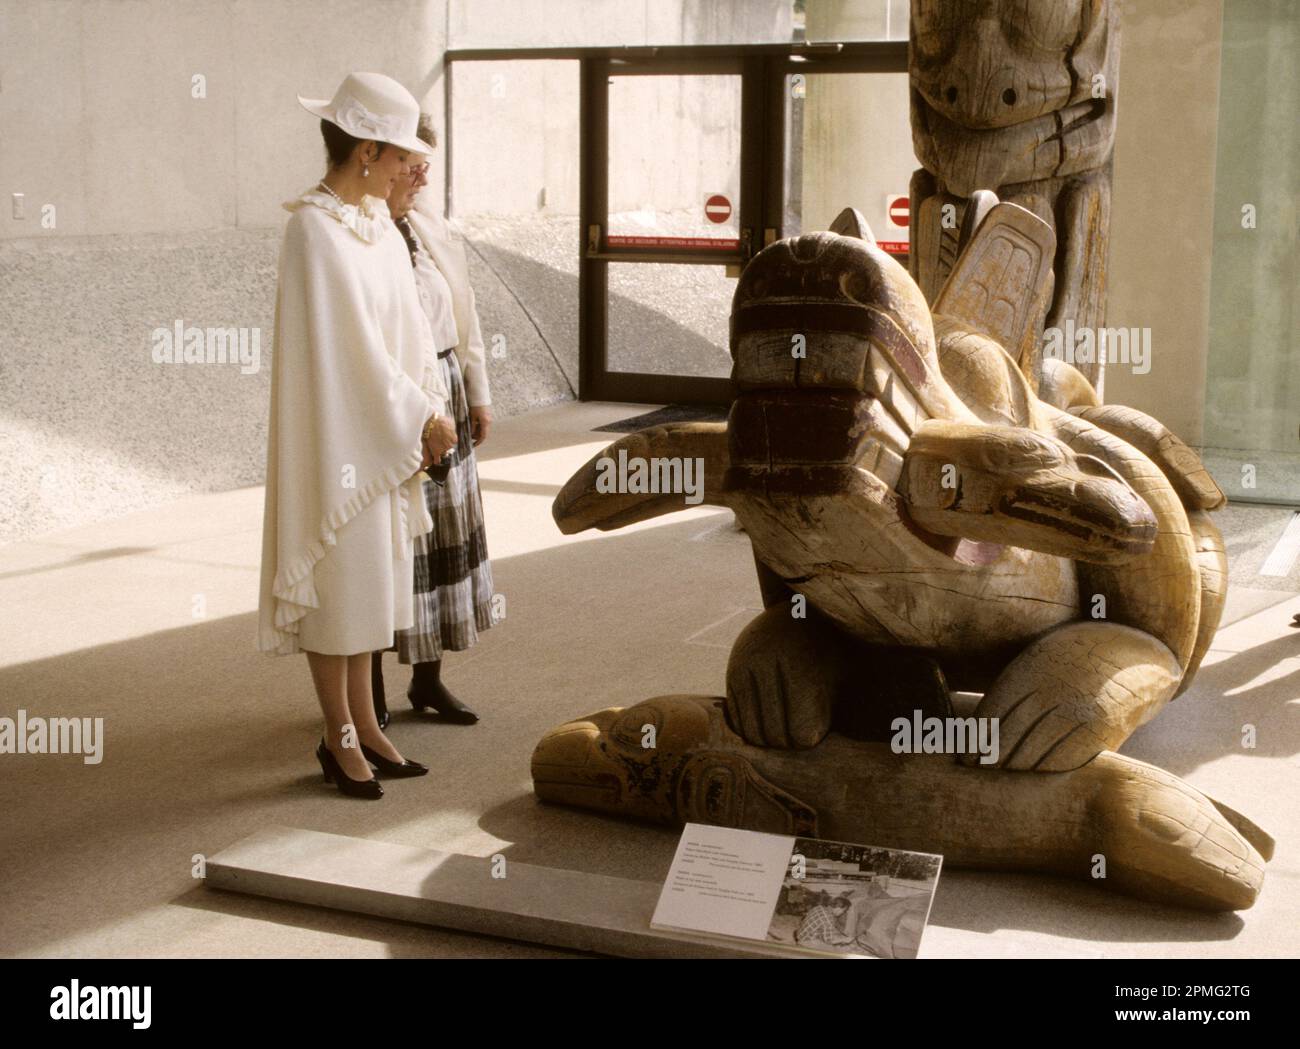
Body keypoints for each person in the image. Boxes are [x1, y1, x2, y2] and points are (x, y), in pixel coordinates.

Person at [257, 72, 459, 799]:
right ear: (367, 150)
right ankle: (338, 736)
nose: (413, 168)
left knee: (371, 587)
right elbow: (349, 348)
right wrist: (419, 417)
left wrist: (430, 405)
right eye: (403, 154)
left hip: (385, 438)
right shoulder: (312, 229)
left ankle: (367, 728)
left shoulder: (375, 225)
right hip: (341, 439)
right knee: (337, 591)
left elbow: (408, 331)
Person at [370, 114, 498, 729]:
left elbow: (464, 317)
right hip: (395, 397)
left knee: (445, 538)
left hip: (446, 385)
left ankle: (427, 682)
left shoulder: (430, 227)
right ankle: (364, 697)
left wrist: (477, 392)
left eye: (428, 159)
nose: (423, 171)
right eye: (412, 158)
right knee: (390, 542)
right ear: (381, 158)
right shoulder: (360, 233)